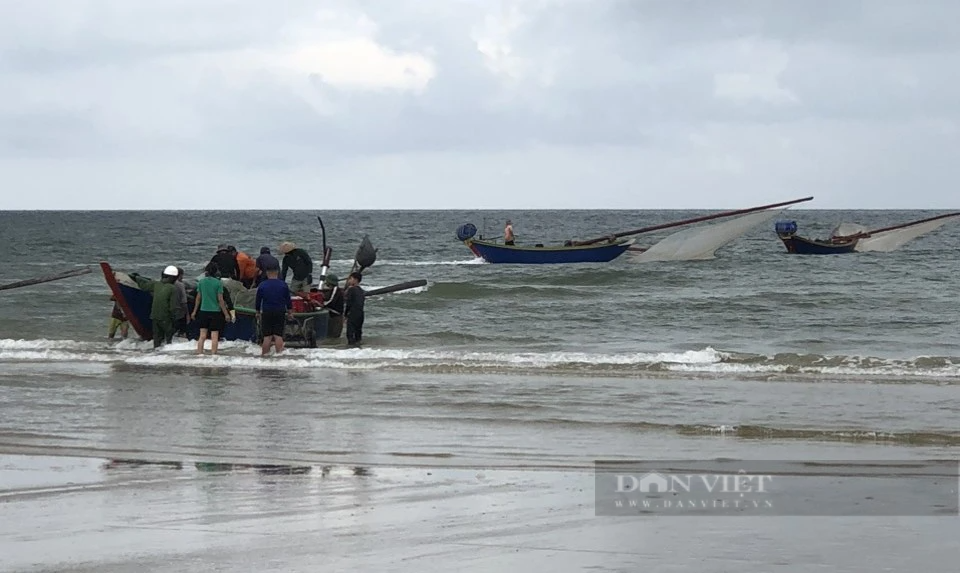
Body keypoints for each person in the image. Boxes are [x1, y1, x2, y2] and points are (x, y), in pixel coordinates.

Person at [191, 262, 231, 355]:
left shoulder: (201, 282)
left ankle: (200, 354)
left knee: (202, 335)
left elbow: (198, 298)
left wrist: (194, 312)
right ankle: (214, 355)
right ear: (216, 271)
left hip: (203, 311)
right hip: (215, 312)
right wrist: (226, 314)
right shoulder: (218, 283)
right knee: (214, 336)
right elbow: (220, 300)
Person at [138, 266, 179, 348]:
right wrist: (174, 318)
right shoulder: (172, 288)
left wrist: (137, 278)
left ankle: (156, 353)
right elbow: (173, 306)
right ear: (173, 278)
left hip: (154, 315)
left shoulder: (156, 284)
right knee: (169, 336)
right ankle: (167, 353)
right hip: (165, 316)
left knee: (157, 337)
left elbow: (144, 287)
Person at [255, 268, 293, 356]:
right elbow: (288, 300)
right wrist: (290, 311)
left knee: (267, 336)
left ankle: (264, 356)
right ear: (277, 273)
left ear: (267, 274)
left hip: (267, 311)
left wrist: (257, 311)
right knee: (278, 335)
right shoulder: (283, 285)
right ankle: (279, 356)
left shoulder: (262, 285)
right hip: (280, 311)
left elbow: (258, 300)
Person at [344, 271, 365, 346]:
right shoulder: (361, 290)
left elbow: (349, 304)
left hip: (353, 313)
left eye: (351, 278)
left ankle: (351, 350)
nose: (349, 280)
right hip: (361, 314)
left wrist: (345, 315)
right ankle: (358, 349)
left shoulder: (351, 290)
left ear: (355, 280)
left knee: (350, 334)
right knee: (358, 333)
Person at [320, 274, 344, 338]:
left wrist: (322, 305)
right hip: (334, 316)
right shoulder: (333, 290)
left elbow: (331, 301)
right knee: (331, 336)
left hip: (336, 316)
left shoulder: (335, 290)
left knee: (333, 336)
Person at [173, 267, 189, 338]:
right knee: (181, 331)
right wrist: (187, 314)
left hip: (168, 312)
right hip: (179, 313)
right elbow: (184, 302)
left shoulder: (166, 284)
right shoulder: (180, 285)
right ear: (179, 275)